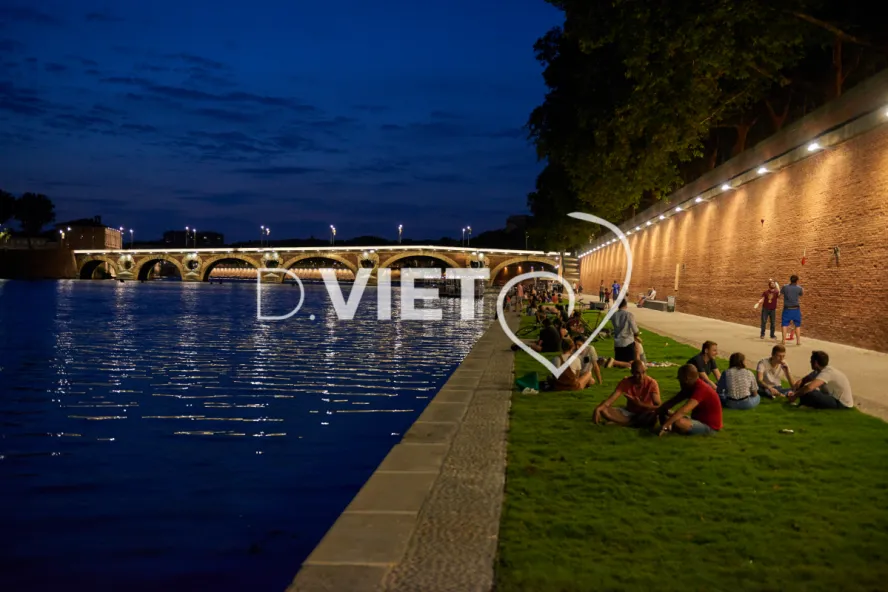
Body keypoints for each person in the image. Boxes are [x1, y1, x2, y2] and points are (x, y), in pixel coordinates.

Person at [657, 365, 723, 436]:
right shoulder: (689, 387)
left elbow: (684, 410)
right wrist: (656, 412)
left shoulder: (701, 389)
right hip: (697, 420)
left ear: (686, 379)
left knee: (679, 422)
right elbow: (672, 402)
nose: (679, 381)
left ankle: (669, 428)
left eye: (679, 378)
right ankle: (671, 426)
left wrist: (665, 425)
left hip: (710, 427)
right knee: (664, 411)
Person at [593, 360, 661, 427]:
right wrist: (598, 409)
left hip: (645, 413)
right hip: (629, 413)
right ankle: (629, 423)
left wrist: (640, 404)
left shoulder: (652, 383)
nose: (641, 376)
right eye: (638, 373)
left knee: (652, 416)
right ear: (632, 372)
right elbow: (610, 400)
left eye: (643, 372)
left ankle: (625, 423)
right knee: (603, 408)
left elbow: (658, 406)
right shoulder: (626, 382)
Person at [788, 351, 853, 409]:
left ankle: (806, 405)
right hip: (831, 397)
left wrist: (795, 395)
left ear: (815, 362)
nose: (810, 362)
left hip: (841, 403)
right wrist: (795, 390)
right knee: (804, 389)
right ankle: (804, 404)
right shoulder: (818, 371)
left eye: (811, 360)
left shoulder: (827, 372)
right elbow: (803, 380)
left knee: (809, 392)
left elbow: (809, 387)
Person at [611, 299, 640, 366]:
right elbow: (635, 331)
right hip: (628, 343)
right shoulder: (628, 315)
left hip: (617, 344)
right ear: (625, 305)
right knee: (632, 363)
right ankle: (614, 362)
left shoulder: (614, 315)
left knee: (620, 362)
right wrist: (637, 334)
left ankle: (615, 362)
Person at [780, 275, 804, 346]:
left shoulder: (785, 287)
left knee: (784, 324)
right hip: (796, 309)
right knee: (797, 325)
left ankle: (783, 341)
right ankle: (798, 341)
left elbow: (780, 295)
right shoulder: (799, 288)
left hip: (787, 309)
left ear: (790, 280)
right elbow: (801, 294)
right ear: (797, 281)